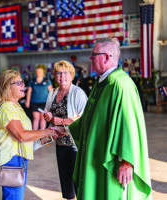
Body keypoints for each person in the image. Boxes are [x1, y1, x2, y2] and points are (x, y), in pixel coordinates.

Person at [52, 38, 152, 200]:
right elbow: (89, 120)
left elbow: (130, 125)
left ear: (106, 56)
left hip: (111, 160)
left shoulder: (120, 85)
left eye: (93, 55)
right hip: (95, 157)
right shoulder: (101, 84)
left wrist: (127, 161)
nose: (90, 59)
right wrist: (66, 130)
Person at [0, 70, 59, 200]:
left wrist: (50, 136)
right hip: (11, 162)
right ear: (7, 86)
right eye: (19, 83)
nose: (24, 85)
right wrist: (48, 131)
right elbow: (21, 135)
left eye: (22, 82)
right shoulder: (7, 107)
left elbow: (27, 139)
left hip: (18, 160)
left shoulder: (16, 107)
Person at [43, 60, 88, 200]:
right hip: (60, 143)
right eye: (58, 73)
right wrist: (48, 116)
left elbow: (85, 118)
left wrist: (62, 122)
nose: (62, 76)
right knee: (66, 182)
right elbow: (47, 112)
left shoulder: (78, 93)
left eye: (65, 73)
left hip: (75, 144)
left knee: (78, 182)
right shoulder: (53, 92)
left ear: (72, 75)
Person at [26, 64, 53, 130]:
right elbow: (29, 92)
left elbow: (51, 92)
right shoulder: (32, 81)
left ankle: (42, 135)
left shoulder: (47, 81)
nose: (38, 73)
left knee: (43, 119)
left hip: (44, 103)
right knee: (36, 119)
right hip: (35, 103)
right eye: (37, 72)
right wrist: (27, 102)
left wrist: (52, 102)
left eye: (40, 72)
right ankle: (34, 136)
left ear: (43, 72)